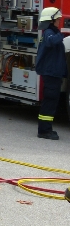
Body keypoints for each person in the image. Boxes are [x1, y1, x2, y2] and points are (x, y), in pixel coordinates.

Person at [35, 7, 67, 140]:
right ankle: (44, 131)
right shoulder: (49, 33)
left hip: (53, 73)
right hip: (51, 74)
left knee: (51, 102)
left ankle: (46, 129)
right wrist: (62, 34)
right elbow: (51, 42)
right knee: (49, 102)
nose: (60, 21)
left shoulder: (51, 32)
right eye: (58, 19)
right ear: (51, 20)